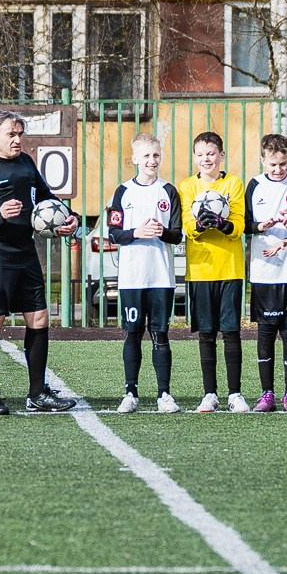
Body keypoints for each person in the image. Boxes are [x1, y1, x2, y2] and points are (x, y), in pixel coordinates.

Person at [0, 109, 80, 413]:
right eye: (11, 134)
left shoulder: (26, 163)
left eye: (19, 134)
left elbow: (46, 197)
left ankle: (38, 393)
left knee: (38, 317)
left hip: (25, 250)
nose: (17, 140)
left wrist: (69, 217)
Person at [103, 132, 182, 414]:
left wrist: (162, 232)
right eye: (146, 156)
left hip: (161, 277)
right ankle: (131, 393)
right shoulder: (123, 192)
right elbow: (114, 233)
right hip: (132, 278)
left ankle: (164, 394)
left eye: (156, 155)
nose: (152, 160)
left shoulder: (169, 190)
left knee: (160, 334)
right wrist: (136, 232)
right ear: (135, 158)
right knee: (132, 333)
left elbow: (177, 234)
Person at [181, 131, 249, 412]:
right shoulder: (186, 187)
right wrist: (199, 226)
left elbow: (239, 225)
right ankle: (210, 393)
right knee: (206, 333)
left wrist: (222, 225)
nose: (206, 159)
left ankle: (235, 394)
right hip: (199, 270)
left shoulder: (233, 184)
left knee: (231, 332)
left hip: (230, 269)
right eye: (200, 154)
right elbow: (186, 225)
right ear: (194, 157)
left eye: (211, 153)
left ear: (221, 155)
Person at [246, 132, 287, 411]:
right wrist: (261, 226)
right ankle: (266, 394)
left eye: (283, 163)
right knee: (266, 333)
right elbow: (245, 224)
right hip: (264, 271)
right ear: (262, 160)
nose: (278, 169)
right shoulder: (255, 185)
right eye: (272, 164)